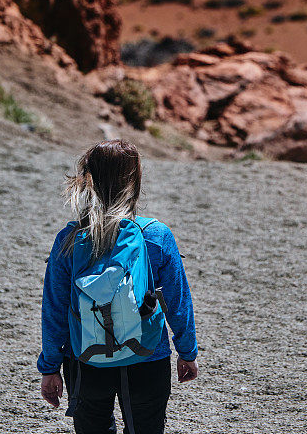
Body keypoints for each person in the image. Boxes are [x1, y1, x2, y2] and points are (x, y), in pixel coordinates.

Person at [37, 139, 198, 434]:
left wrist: (49, 367)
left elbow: (55, 309)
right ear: (135, 180)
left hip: (85, 360)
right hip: (148, 355)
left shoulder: (69, 239)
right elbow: (178, 302)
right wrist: (187, 352)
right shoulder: (156, 235)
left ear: (89, 179)